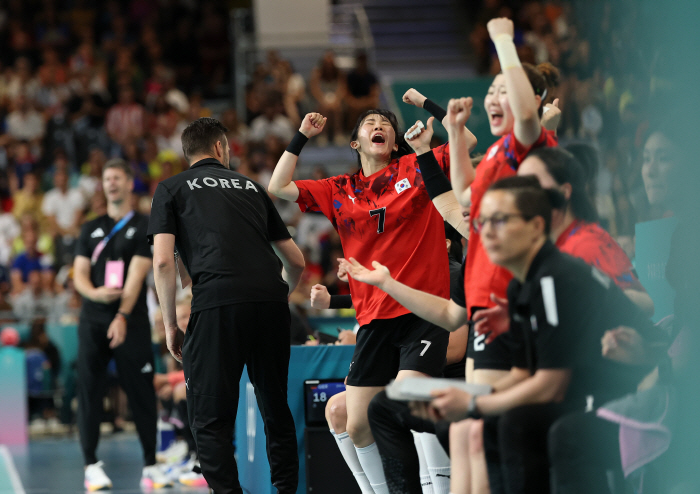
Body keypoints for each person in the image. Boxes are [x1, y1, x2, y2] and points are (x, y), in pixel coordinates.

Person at [342, 176, 664, 494]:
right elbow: (523, 372)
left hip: (633, 395)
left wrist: (472, 404)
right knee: (386, 406)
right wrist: (473, 398)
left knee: (509, 425)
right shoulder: (520, 285)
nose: (486, 232)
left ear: (537, 226)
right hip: (572, 389)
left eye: (500, 221)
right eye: (483, 221)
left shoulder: (555, 276)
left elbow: (551, 386)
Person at [269, 106, 476, 492]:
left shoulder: (416, 168)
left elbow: (468, 143)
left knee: (404, 405)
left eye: (386, 124)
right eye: (369, 123)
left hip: (422, 312)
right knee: (358, 423)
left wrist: (433, 120)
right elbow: (278, 187)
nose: (379, 126)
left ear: (395, 142)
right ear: (355, 142)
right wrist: (301, 136)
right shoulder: (338, 190)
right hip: (373, 321)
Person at [148, 117, 305, 494]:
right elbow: (296, 261)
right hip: (269, 303)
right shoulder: (252, 187)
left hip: (217, 305)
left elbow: (163, 261)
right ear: (220, 148)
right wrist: (279, 296)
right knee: (275, 410)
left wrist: (171, 325)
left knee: (209, 420)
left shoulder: (170, 188)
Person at [72, 159, 169, 491]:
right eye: (106, 178)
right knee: (90, 391)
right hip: (93, 320)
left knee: (141, 391)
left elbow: (137, 276)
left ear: (129, 183)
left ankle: (152, 465)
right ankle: (90, 465)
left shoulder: (144, 224)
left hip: (131, 319)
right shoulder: (90, 227)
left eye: (117, 178)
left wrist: (122, 316)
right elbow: (80, 275)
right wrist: (96, 295)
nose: (111, 183)